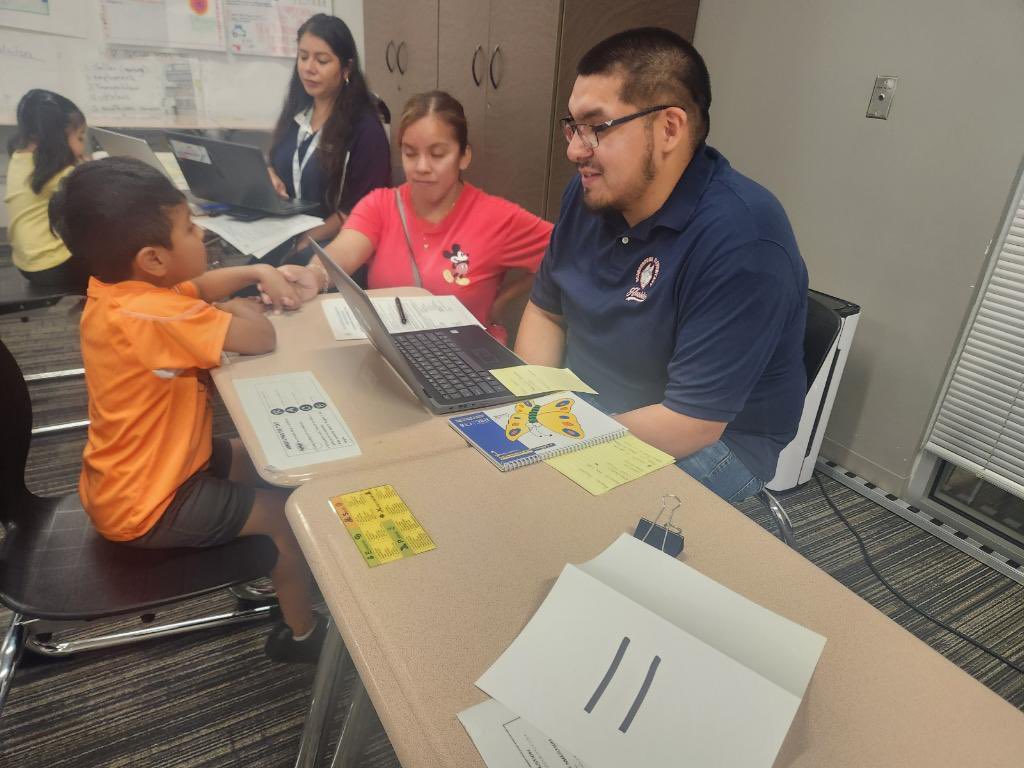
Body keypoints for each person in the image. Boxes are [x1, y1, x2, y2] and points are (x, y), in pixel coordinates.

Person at [49, 157, 325, 662]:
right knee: (284, 518)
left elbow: (198, 289)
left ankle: (288, 576)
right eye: (192, 229)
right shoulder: (156, 315)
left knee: (271, 456)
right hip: (153, 504)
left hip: (142, 471)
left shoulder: (121, 294)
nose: (204, 236)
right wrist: (238, 307)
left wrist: (259, 270)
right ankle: (303, 634)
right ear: (154, 259)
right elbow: (259, 337)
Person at [515, 28, 808, 502]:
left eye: (598, 126)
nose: (574, 150)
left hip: (711, 439)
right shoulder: (590, 194)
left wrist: (558, 441)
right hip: (596, 405)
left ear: (670, 128)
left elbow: (692, 424)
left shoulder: (744, 240)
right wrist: (532, 409)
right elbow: (546, 312)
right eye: (572, 126)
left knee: (552, 512)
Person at [310, 90, 553, 343]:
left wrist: (503, 302)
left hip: (468, 361)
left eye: (437, 154)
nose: (422, 167)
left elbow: (563, 255)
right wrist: (314, 274)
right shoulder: (380, 205)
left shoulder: (497, 218)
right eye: (410, 153)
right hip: (396, 357)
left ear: (464, 156)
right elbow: (342, 252)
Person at [267, 13, 390, 254]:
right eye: (303, 57)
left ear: (346, 68)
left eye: (322, 61)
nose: (308, 69)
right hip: (286, 233)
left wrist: (308, 239)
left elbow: (362, 206)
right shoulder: (298, 110)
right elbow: (275, 158)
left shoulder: (365, 128)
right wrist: (270, 174)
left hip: (335, 242)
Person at [4, 89, 90, 292]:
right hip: (52, 266)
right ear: (56, 139)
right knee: (123, 253)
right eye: (79, 138)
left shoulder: (20, 158)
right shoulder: (60, 173)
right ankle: (102, 306)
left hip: (27, 263)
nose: (83, 146)